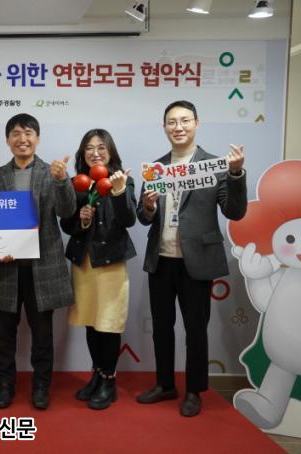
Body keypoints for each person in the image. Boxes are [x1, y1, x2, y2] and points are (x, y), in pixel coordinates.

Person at [135, 100, 247, 417]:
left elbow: (235, 211)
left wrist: (236, 174)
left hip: (197, 260)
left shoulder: (214, 166)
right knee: (161, 327)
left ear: (197, 124)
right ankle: (165, 384)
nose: (178, 127)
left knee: (196, 330)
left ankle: (194, 391)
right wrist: (149, 206)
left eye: (185, 120)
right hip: (161, 259)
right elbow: (143, 216)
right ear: (164, 127)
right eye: (172, 122)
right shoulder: (155, 168)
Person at [0, 113, 76, 410]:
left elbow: (67, 212)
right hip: (7, 268)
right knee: (3, 335)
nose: (22, 139)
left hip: (42, 268)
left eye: (28, 133)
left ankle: (41, 386)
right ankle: (5, 385)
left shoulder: (53, 172)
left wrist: (62, 181)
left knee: (42, 334)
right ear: (7, 140)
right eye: (15, 133)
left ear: (37, 139)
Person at [60, 129, 136, 410]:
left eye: (101, 147)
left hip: (110, 264)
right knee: (91, 321)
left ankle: (109, 380)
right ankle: (97, 374)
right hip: (83, 264)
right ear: (82, 153)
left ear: (111, 151)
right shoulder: (77, 183)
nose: (95, 153)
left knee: (108, 324)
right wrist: (81, 220)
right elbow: (66, 224)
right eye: (89, 148)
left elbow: (129, 219)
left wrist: (119, 191)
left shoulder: (122, 180)